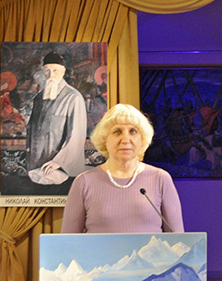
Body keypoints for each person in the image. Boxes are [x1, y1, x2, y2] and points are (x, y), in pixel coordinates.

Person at [62, 103, 184, 233]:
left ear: (142, 139)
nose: (125, 139)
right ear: (104, 139)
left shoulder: (160, 179)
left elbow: (178, 239)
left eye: (133, 131)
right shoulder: (84, 182)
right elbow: (67, 241)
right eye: (117, 132)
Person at [25, 51, 87, 185]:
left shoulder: (73, 97)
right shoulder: (39, 99)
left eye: (55, 70)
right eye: (47, 71)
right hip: (37, 167)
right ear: (43, 72)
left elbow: (76, 136)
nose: (51, 75)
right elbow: (32, 129)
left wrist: (58, 162)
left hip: (61, 168)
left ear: (63, 71)